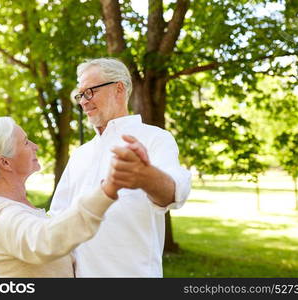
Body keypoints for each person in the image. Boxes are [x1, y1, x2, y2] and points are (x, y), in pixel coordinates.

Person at [50, 58, 192, 277]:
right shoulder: (80, 154)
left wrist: (146, 176)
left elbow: (174, 193)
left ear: (119, 88)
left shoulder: (156, 138)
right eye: (80, 95)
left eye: (90, 92)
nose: (83, 102)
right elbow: (57, 219)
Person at [0, 116, 147, 277]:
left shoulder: (20, 206)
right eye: (25, 142)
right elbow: (46, 240)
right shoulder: (1, 218)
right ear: (5, 162)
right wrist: (108, 188)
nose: (35, 146)